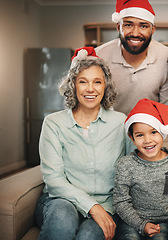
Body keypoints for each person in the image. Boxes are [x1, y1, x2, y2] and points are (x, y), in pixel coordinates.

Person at [34, 47, 134, 240]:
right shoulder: (53, 123)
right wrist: (92, 207)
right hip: (60, 201)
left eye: (97, 82)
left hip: (107, 204)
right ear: (73, 85)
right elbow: (53, 179)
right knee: (63, 217)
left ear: (106, 86)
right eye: (83, 82)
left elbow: (134, 170)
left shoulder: (121, 122)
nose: (90, 89)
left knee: (89, 235)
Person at [114, 98, 168, 239]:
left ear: (162, 133)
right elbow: (120, 201)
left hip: (163, 222)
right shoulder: (126, 165)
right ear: (132, 138)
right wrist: (141, 224)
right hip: (131, 222)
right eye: (140, 135)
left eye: (153, 132)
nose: (147, 140)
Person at [95, 0, 168, 115]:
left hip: (150, 129)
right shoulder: (99, 56)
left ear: (153, 29)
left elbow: (166, 111)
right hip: (109, 128)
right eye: (128, 25)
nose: (135, 33)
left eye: (143, 26)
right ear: (118, 27)